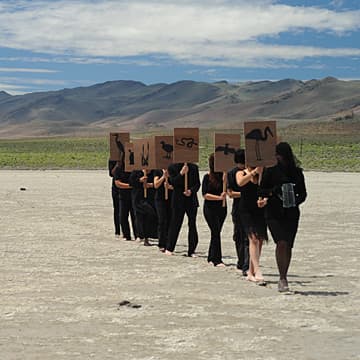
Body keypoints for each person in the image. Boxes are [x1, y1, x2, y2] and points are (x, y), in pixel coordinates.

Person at [259, 142, 307, 292]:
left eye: (279, 155)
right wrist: (274, 191)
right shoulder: (270, 171)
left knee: (288, 244)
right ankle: (282, 278)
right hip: (274, 212)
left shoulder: (297, 173)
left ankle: (284, 273)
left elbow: (303, 194)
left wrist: (294, 200)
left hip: (291, 214)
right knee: (281, 242)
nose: (277, 157)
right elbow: (261, 190)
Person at [236, 164, 268, 283]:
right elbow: (240, 183)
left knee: (259, 240)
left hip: (259, 210)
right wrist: (254, 172)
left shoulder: (263, 174)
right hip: (246, 211)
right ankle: (258, 270)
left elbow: (268, 190)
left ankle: (251, 271)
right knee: (253, 238)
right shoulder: (241, 173)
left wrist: (265, 199)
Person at [165, 162, 200, 257]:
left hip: (191, 199)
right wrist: (181, 173)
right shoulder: (172, 167)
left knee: (192, 224)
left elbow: (197, 184)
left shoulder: (194, 167)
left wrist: (191, 191)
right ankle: (169, 247)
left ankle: (192, 250)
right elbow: (172, 182)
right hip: (178, 199)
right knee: (175, 223)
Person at [202, 153, 227, 267]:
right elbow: (205, 195)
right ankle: (217, 259)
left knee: (216, 232)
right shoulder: (207, 177)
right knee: (215, 232)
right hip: (210, 209)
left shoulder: (224, 176)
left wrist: (226, 180)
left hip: (222, 209)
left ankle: (211, 257)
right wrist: (219, 198)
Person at [227, 149, 249, 275]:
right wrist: (246, 194)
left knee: (246, 237)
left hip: (244, 209)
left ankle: (245, 264)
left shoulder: (251, 172)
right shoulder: (232, 173)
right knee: (240, 237)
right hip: (239, 208)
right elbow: (231, 194)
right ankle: (242, 262)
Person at [129, 169, 158, 246]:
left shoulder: (153, 172)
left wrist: (150, 185)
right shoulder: (136, 171)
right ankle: (140, 235)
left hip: (150, 198)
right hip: (138, 198)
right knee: (139, 217)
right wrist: (139, 180)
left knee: (150, 215)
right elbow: (131, 183)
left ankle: (148, 236)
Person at [114, 163, 137, 241]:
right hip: (123, 195)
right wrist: (130, 186)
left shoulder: (135, 168)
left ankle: (137, 234)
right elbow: (117, 183)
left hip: (134, 195)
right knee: (123, 215)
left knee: (135, 216)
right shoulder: (119, 168)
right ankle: (126, 234)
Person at [153, 168, 173, 252]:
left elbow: (177, 185)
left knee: (170, 221)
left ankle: (169, 243)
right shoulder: (157, 171)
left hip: (171, 199)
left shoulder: (173, 170)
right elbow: (156, 185)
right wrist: (163, 177)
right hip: (160, 199)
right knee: (162, 220)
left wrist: (169, 187)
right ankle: (161, 243)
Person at [108, 160, 122, 238]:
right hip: (116, 188)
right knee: (117, 209)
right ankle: (117, 231)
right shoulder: (112, 159)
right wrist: (117, 164)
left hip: (127, 185)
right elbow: (111, 173)